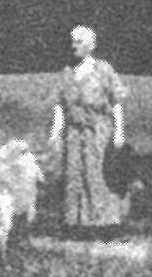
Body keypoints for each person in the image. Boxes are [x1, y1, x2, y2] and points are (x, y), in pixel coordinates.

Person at [48, 25, 130, 238]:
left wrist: (119, 132)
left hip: (99, 132)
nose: (73, 46)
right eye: (72, 41)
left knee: (98, 175)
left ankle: (104, 224)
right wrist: (55, 132)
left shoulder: (103, 70)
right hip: (74, 134)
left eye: (78, 42)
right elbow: (60, 104)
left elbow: (116, 102)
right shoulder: (67, 73)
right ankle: (76, 223)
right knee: (74, 175)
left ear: (91, 46)